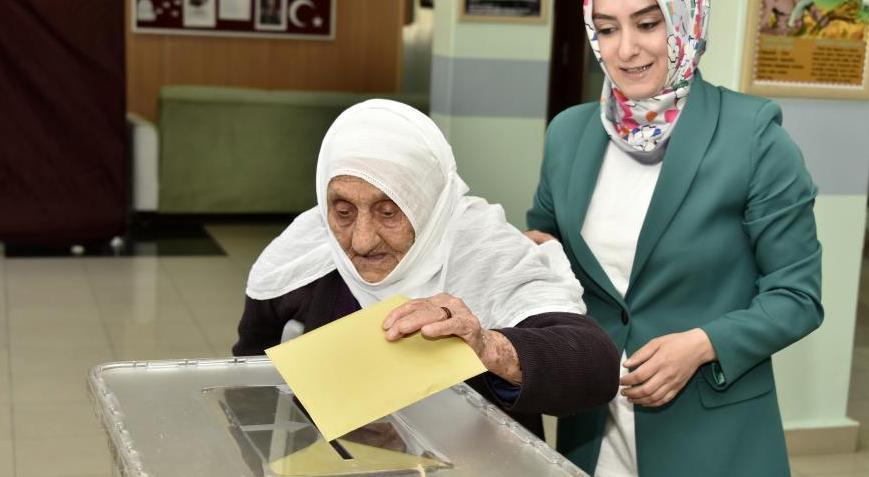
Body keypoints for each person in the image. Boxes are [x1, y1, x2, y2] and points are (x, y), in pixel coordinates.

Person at [526, 0, 823, 476]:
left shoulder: (753, 137)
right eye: (606, 29)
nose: (626, 49)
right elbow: (546, 236)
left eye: (647, 23)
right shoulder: (568, 133)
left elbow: (797, 297)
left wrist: (704, 343)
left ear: (687, 20)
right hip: (593, 425)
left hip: (711, 433)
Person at [233, 99, 621, 438]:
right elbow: (249, 389)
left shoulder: (484, 250)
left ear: (427, 202)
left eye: (389, 211)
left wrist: (487, 345)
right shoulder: (304, 259)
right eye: (343, 211)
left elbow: (595, 368)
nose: (361, 240)